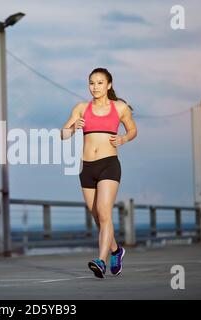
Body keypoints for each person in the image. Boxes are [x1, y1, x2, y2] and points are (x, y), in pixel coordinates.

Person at [60, 68, 137, 278]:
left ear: (109, 85)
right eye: (92, 83)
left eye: (100, 83)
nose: (95, 87)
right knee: (97, 217)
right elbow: (63, 134)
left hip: (109, 164)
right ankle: (116, 251)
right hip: (86, 167)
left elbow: (132, 129)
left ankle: (101, 261)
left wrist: (123, 139)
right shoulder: (81, 108)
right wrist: (74, 126)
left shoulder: (119, 108)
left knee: (105, 213)